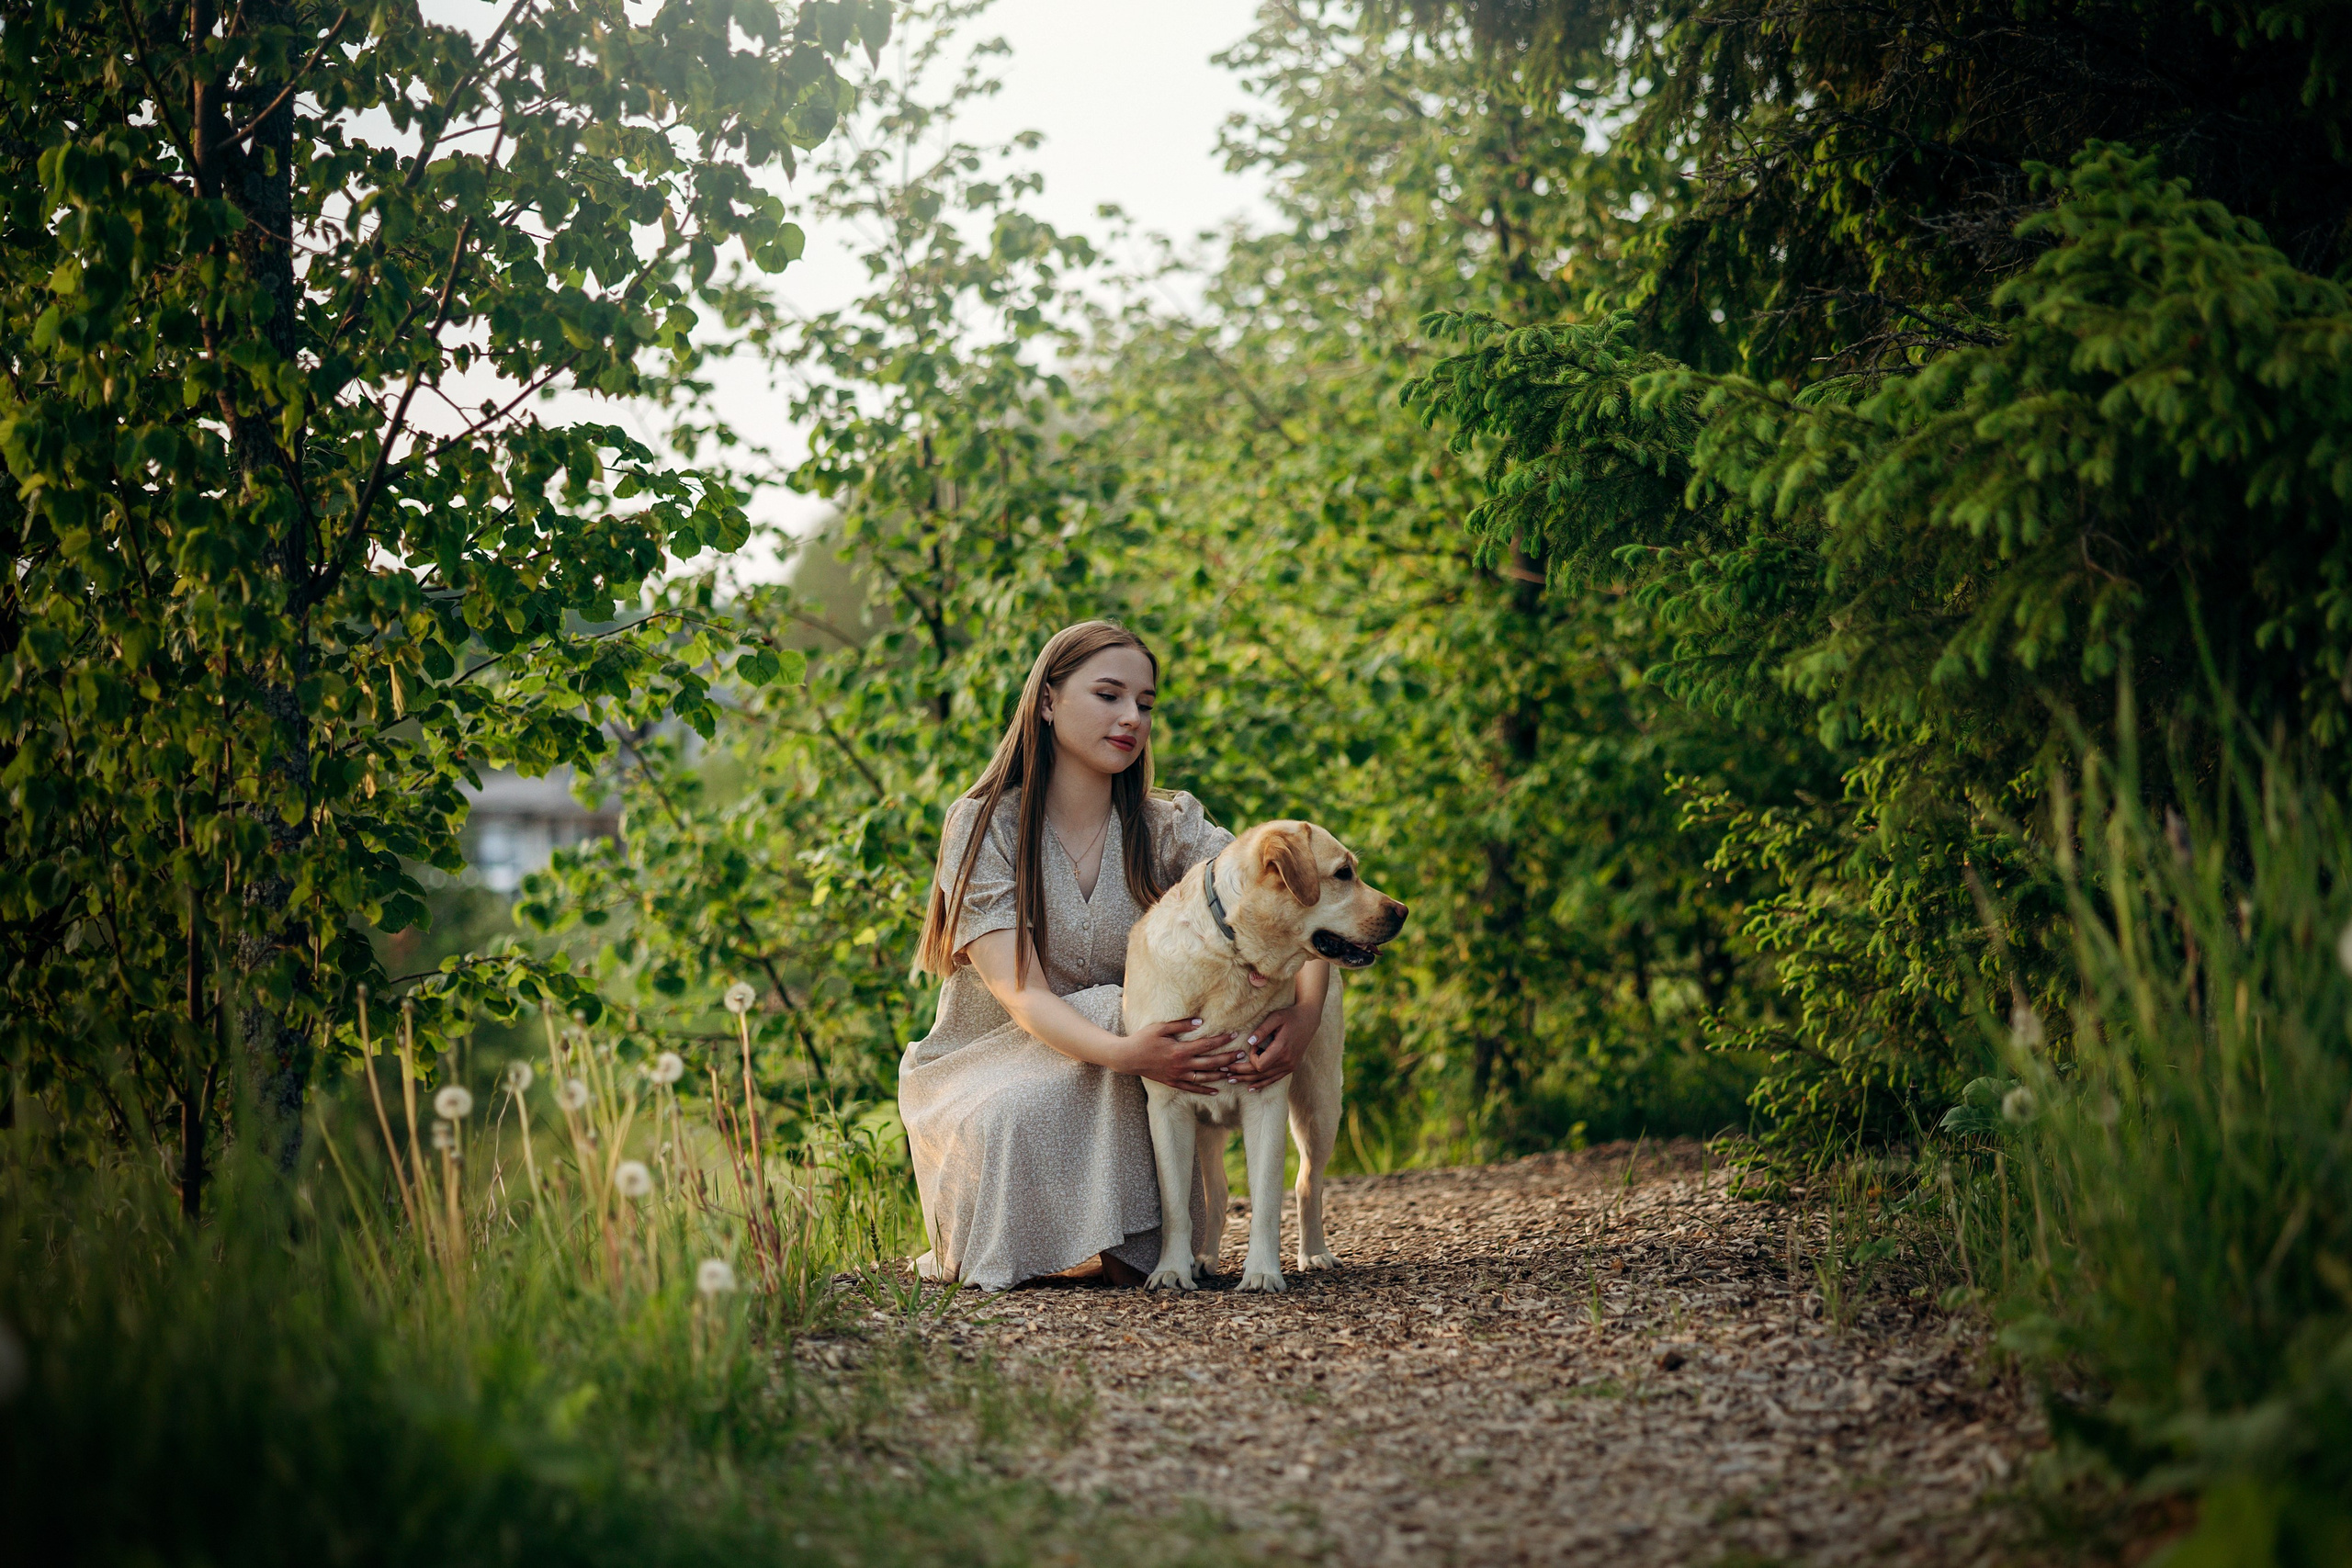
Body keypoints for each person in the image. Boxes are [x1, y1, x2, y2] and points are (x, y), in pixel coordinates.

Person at [900, 620, 1333, 1290]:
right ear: (1047, 700)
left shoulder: (1171, 826)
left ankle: (1147, 1246)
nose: (1133, 717)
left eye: (1146, 703)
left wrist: (1303, 1019)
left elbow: (1294, 897)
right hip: (998, 1058)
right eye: (1109, 695)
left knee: (1129, 1017)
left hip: (1145, 1062)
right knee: (1030, 1101)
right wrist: (1131, 1052)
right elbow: (1023, 994)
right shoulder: (983, 823)